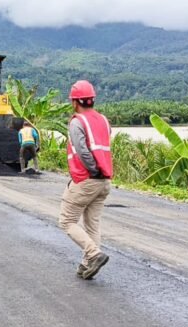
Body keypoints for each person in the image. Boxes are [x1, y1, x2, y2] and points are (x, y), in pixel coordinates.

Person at [58, 80, 112, 281]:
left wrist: (93, 169)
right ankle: (87, 264)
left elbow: (82, 150)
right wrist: (100, 171)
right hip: (104, 181)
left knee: (66, 221)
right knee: (92, 225)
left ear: (75, 102)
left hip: (88, 178)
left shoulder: (77, 122)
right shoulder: (103, 120)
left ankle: (94, 254)